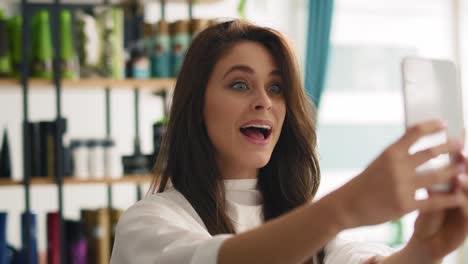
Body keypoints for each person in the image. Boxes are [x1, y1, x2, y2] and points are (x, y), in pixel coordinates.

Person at [110, 20, 468, 264]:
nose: (264, 101)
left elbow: (353, 255)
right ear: (196, 105)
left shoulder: (308, 226)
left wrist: (424, 249)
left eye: (276, 87)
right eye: (239, 84)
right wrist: (347, 206)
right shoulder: (148, 225)